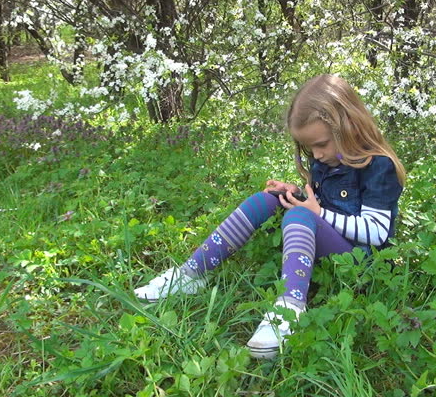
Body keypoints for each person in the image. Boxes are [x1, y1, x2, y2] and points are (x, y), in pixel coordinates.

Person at [134, 74, 406, 359]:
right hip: (332, 244)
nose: (316, 153)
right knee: (268, 199)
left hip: (361, 264)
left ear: (348, 125)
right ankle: (191, 274)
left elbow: (377, 233)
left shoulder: (379, 167)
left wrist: (316, 211)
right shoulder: (327, 158)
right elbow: (321, 204)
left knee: (299, 217)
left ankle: (289, 310)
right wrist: (296, 194)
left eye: (321, 144)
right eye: (309, 147)